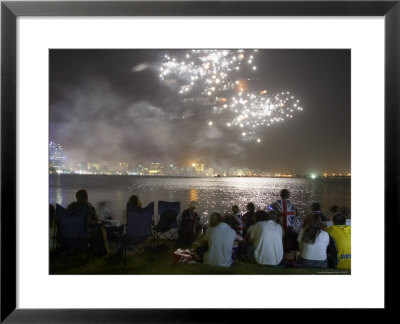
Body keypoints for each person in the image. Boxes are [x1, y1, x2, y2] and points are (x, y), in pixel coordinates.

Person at [67, 189, 109, 256]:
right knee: (99, 228)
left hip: (70, 234)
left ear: (76, 197)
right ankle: (100, 251)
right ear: (86, 197)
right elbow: (97, 220)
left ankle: (79, 248)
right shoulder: (88, 207)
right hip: (85, 234)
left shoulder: (70, 206)